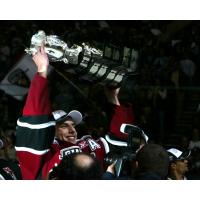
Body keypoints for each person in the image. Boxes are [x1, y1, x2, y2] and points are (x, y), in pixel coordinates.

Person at [15, 45, 110, 180]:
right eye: (64, 126)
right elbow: (36, 119)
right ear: (50, 131)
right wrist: (42, 70)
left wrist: (113, 99)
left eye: (73, 125)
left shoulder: (87, 144)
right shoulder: (48, 152)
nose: (72, 130)